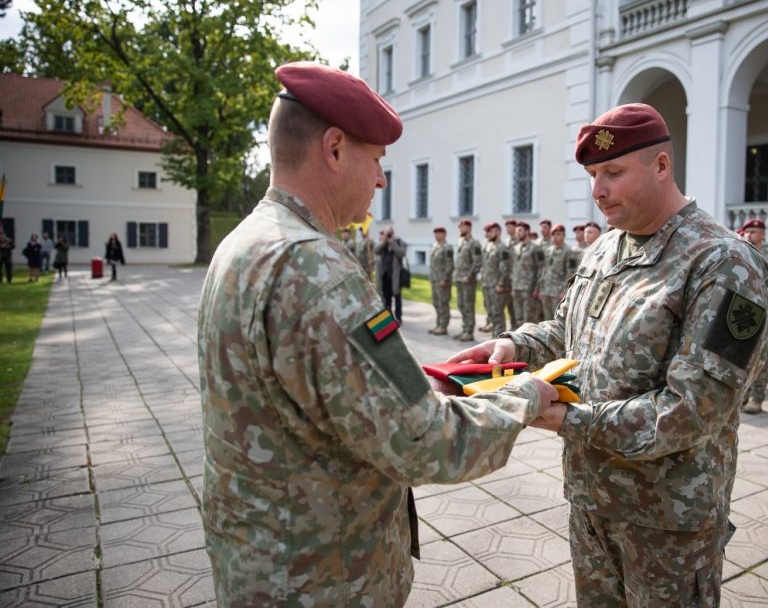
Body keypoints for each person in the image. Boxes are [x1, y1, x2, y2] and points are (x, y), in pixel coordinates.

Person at [197, 61, 558, 606]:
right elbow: (426, 443)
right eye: (378, 160)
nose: (382, 180)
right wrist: (525, 395)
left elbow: (316, 397)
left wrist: (424, 387)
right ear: (335, 149)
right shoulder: (317, 267)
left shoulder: (245, 242)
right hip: (325, 577)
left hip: (263, 560)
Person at [450, 103, 768, 606]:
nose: (598, 190)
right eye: (592, 174)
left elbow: (693, 410)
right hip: (591, 497)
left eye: (613, 172)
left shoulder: (726, 264)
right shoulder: (608, 247)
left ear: (662, 166)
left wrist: (567, 421)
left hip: (667, 521)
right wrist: (515, 344)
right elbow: (568, 327)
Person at [740, 218, 768, 414]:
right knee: (742, 358)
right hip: (743, 313)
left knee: (760, 358)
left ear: (763, 234)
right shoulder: (740, 255)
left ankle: (757, 397)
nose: (750, 235)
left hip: (765, 314)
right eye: (747, 231)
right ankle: (744, 394)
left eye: (755, 231)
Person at [480, 222, 511, 338]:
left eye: (491, 231)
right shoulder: (489, 246)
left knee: (498, 313)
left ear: (498, 232)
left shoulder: (502, 248)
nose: (488, 234)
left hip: (496, 286)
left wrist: (501, 284)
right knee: (491, 312)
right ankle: (494, 336)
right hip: (487, 284)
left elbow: (504, 269)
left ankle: (499, 339)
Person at [453, 217, 482, 341]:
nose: (460, 228)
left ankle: (469, 332)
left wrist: (469, 276)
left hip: (467, 280)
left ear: (469, 228)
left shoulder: (474, 243)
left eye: (462, 226)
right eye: (459, 226)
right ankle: (464, 329)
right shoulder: (461, 242)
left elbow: (477, 263)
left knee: (468, 305)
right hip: (459, 279)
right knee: (461, 305)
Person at [510, 221, 542, 327]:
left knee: (529, 318)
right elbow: (514, 268)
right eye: (516, 231)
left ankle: (530, 342)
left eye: (520, 231)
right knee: (518, 316)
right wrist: (513, 287)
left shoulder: (536, 248)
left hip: (529, 288)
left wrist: (537, 288)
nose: (517, 233)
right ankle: (520, 341)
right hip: (517, 287)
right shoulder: (516, 248)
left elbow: (541, 269)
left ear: (527, 231)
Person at [537, 224, 571, 320]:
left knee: (558, 320)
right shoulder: (548, 251)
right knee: (547, 319)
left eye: (558, 234)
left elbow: (570, 273)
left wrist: (565, 291)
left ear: (564, 235)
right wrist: (542, 289)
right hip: (547, 290)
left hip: (558, 292)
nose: (555, 237)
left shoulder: (568, 251)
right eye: (553, 234)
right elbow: (544, 270)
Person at [427, 226, 454, 335]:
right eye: (435, 233)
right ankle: (438, 324)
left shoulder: (447, 248)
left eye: (438, 233)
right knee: (436, 303)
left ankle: (443, 326)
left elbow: (449, 265)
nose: (436, 235)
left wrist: (445, 278)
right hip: (434, 279)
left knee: (443, 303)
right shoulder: (435, 246)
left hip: (442, 281)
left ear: (443, 234)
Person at [376, 225, 406, 322]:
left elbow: (401, 253)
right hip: (385, 276)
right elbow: (376, 251)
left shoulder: (399, 242)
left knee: (397, 298)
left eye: (389, 233)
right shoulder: (383, 243)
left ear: (393, 233)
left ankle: (398, 317)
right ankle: (388, 318)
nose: (388, 235)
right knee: (386, 298)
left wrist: (392, 243)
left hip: (395, 277)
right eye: (386, 233)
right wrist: (384, 241)